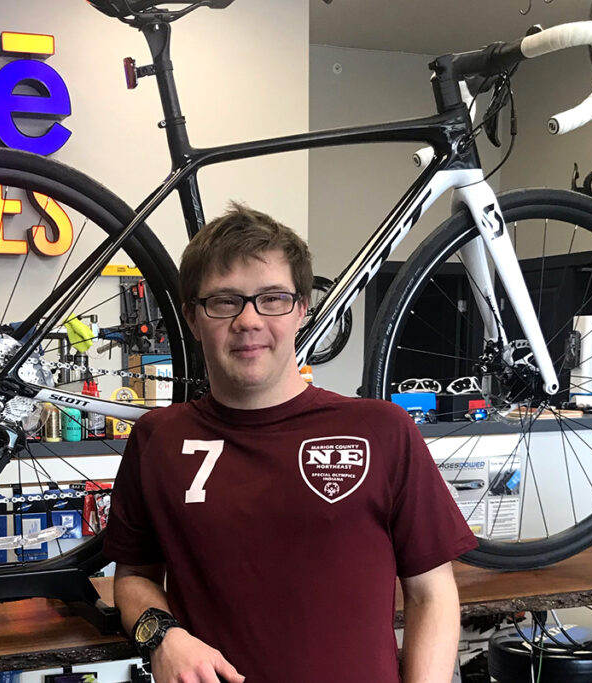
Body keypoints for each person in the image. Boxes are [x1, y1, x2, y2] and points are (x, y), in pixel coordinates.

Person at [103, 203, 478, 682]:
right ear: (193, 319)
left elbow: (432, 593)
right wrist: (163, 636)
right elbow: (133, 577)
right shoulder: (158, 438)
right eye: (223, 301)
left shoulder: (381, 430)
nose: (249, 320)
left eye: (273, 298)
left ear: (302, 309)